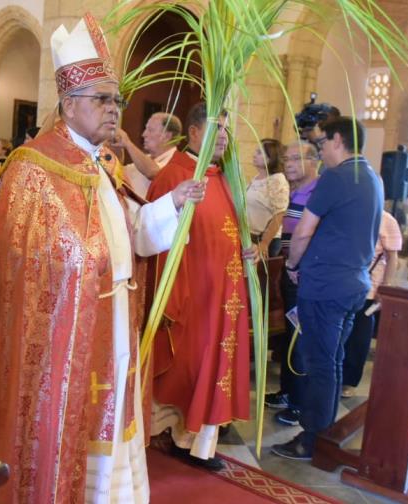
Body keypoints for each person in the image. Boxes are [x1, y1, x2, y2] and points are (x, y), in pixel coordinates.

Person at [0, 14, 205, 503]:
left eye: (117, 100)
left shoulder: (106, 164)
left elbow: (128, 237)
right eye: (103, 100)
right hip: (61, 340)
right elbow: (21, 266)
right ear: (68, 104)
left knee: (111, 426)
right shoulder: (32, 167)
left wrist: (171, 206)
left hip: (113, 324)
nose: (114, 110)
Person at [148, 102, 250, 471]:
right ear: (194, 132)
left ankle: (200, 439)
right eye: (216, 129)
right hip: (195, 299)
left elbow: (231, 232)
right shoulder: (174, 176)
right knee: (191, 367)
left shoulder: (223, 177)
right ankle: (183, 438)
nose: (224, 136)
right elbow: (155, 240)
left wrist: (246, 249)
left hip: (226, 297)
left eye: (226, 129)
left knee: (214, 365)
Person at [274, 117, 382, 460]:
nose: (321, 152)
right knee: (332, 360)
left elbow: (303, 231)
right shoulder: (373, 178)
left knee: (318, 361)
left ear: (338, 140)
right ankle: (325, 431)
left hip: (325, 285)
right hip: (354, 284)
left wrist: (291, 264)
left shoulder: (337, 177)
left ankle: (311, 438)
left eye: (322, 144)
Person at [264, 140, 320, 427]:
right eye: (286, 159)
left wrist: (296, 265)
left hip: (303, 274)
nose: (288, 164)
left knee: (300, 340)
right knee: (289, 336)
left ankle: (299, 403)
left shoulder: (317, 192)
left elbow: (310, 236)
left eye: (296, 159)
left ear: (314, 162)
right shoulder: (295, 192)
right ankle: (287, 392)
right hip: (289, 271)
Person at [341, 210, 402, 398]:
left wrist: (386, 287)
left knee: (359, 337)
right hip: (341, 282)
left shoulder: (386, 220)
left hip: (369, 286)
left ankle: (349, 380)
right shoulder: (347, 211)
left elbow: (392, 257)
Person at [113, 112, 182, 198]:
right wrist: (114, 144)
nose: (144, 134)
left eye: (150, 130)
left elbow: (154, 173)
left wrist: (128, 143)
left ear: (167, 136)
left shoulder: (179, 162)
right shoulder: (145, 160)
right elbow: (119, 173)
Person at [246, 138, 289, 258]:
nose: (254, 154)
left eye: (259, 152)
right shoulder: (257, 177)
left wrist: (264, 243)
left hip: (263, 240)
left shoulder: (277, 179)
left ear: (271, 158)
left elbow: (279, 214)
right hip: (249, 236)